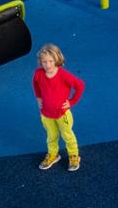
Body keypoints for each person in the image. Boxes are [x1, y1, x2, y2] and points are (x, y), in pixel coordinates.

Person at [31, 43, 85, 172]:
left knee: (67, 135)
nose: (48, 65)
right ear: (40, 62)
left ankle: (73, 155)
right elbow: (35, 85)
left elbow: (80, 85)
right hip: (46, 114)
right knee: (51, 136)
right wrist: (38, 99)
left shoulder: (63, 75)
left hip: (62, 114)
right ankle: (53, 155)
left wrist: (72, 102)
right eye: (44, 62)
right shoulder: (38, 74)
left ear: (57, 60)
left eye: (51, 61)